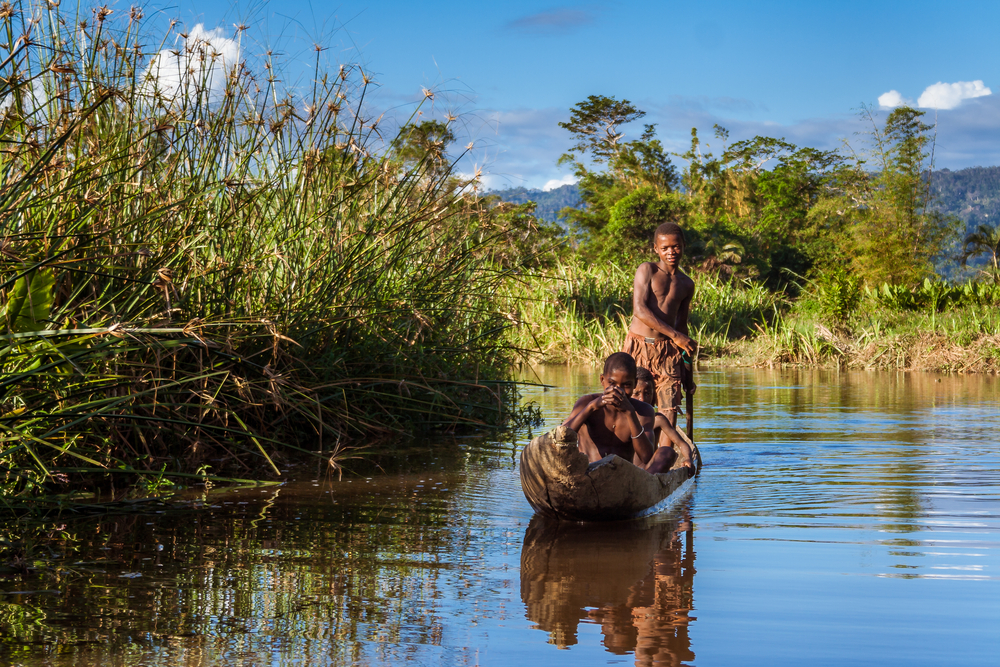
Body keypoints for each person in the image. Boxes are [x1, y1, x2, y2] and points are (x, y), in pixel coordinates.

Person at [623, 221, 697, 428]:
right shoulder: (647, 270)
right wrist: (676, 335)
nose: (671, 252)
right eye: (665, 248)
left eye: (675, 246)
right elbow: (639, 309)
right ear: (656, 249)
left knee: (669, 406)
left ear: (683, 246)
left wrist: (686, 372)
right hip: (639, 346)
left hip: (669, 351)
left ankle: (664, 455)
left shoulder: (686, 284)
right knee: (633, 401)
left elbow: (681, 326)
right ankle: (635, 451)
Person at [562, 352, 677, 473]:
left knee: (667, 453)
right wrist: (591, 408)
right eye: (612, 383)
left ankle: (640, 491)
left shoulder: (644, 411)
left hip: (623, 477)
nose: (618, 390)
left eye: (626, 385)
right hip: (589, 474)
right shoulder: (586, 402)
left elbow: (646, 457)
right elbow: (561, 437)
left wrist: (630, 413)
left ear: (635, 384)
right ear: (602, 380)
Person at [634, 367, 694, 474]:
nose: (642, 399)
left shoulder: (657, 419)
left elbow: (681, 444)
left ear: (653, 396)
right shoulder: (621, 417)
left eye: (647, 394)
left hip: (648, 470)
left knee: (667, 451)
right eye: (636, 394)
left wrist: (688, 458)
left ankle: (649, 482)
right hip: (626, 470)